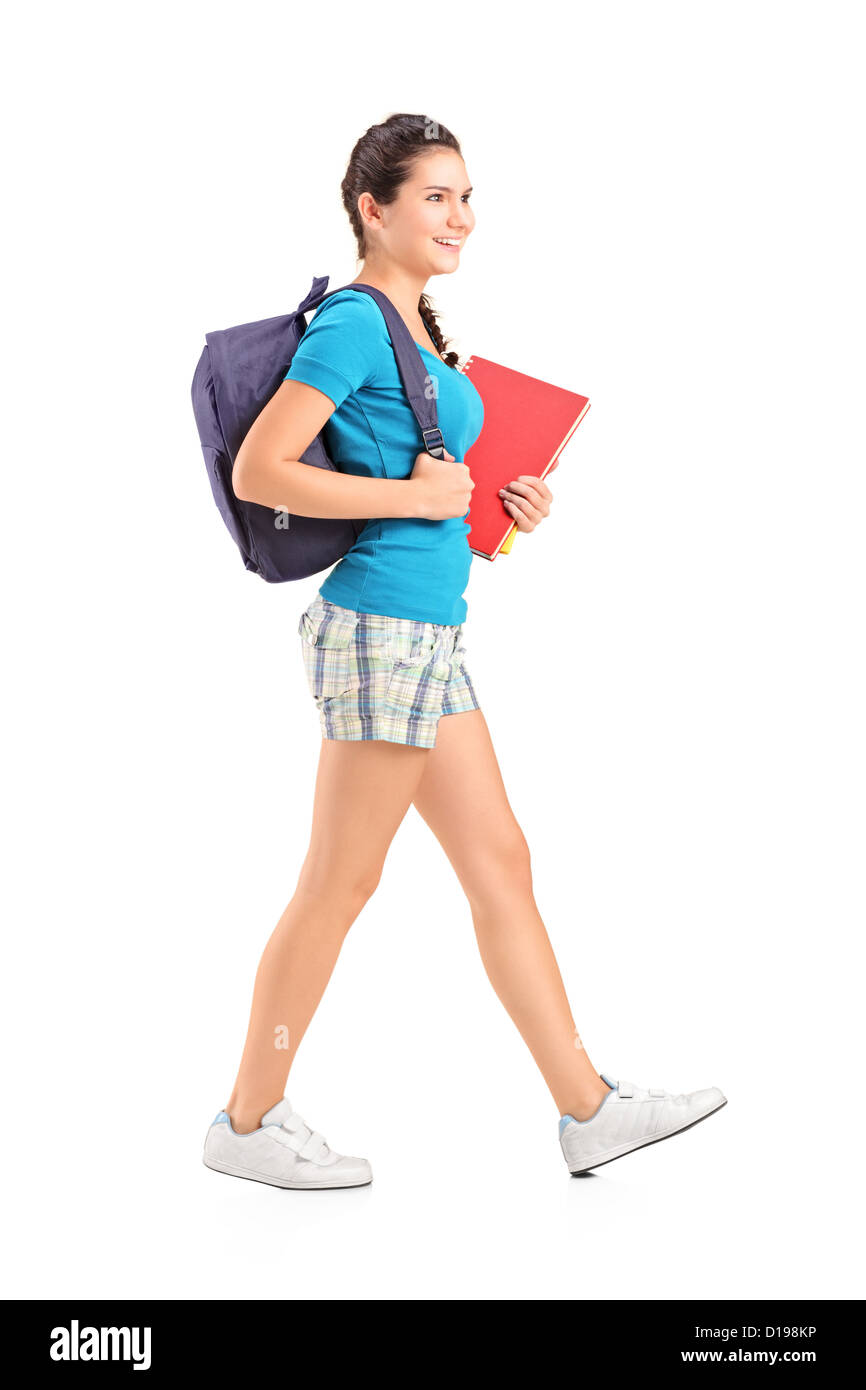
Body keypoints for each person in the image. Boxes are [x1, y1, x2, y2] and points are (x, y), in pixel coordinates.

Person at [201, 113, 726, 1190]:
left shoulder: (415, 331)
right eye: (435, 196)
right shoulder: (353, 324)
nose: (458, 217)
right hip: (381, 632)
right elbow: (262, 468)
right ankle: (246, 1124)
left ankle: (587, 1109)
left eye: (466, 196)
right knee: (340, 881)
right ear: (372, 208)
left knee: (499, 860)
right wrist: (414, 495)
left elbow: (434, 492)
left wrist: (499, 510)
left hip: (429, 631)